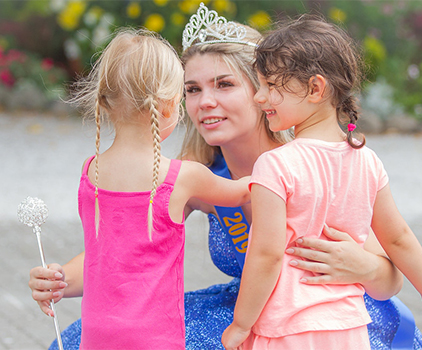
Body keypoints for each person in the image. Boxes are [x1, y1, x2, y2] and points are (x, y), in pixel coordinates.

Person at [29, 4, 421, 350]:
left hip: (334, 320)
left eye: (225, 84)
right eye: (192, 89)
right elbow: (121, 246)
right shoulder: (198, 177)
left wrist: (365, 267)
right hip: (248, 310)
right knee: (84, 338)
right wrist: (60, 278)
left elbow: (391, 276)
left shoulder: (311, 167)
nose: (205, 102)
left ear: (262, 91)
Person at [221, 15, 422, 350]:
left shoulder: (275, 164)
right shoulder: (367, 161)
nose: (259, 97)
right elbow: (400, 240)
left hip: (288, 331)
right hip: (349, 330)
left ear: (315, 88)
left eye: (270, 86)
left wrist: (241, 325)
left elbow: (267, 255)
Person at [55, 27, 251, 350]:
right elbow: (243, 192)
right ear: (169, 106)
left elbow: (105, 254)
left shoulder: (90, 172)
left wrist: (57, 278)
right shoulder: (183, 176)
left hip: (97, 334)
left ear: (103, 102)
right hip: (154, 337)